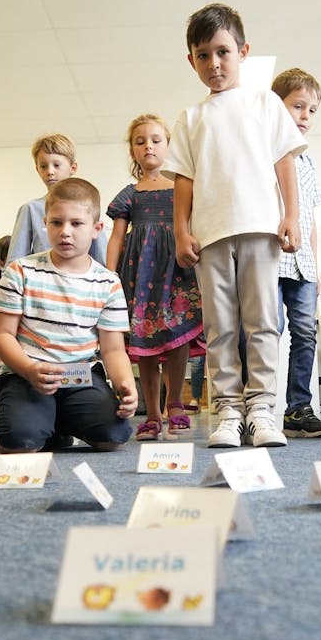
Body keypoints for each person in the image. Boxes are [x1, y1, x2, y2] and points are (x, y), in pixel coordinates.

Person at [166, 3, 304, 449]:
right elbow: (183, 181)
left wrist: (291, 216)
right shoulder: (190, 118)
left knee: (263, 321)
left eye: (223, 52)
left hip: (260, 226)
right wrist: (181, 230)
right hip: (209, 235)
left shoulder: (265, 104)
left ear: (243, 51)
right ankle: (228, 408)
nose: (214, 63)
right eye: (203, 55)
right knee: (220, 326)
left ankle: (262, 407)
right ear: (192, 61)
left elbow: (285, 163)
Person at [0, 178, 136, 454]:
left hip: (80, 375)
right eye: (56, 223)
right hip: (26, 373)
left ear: (96, 229)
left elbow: (113, 349)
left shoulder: (108, 282)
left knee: (113, 437)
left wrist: (125, 384)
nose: (65, 232)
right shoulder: (20, 271)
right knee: (20, 443)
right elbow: (1, 335)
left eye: (76, 224)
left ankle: (56, 422)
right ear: (45, 223)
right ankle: (31, 421)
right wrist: (30, 370)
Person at [105, 113, 204, 442]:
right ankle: (153, 411)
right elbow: (117, 238)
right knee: (144, 342)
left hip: (177, 273)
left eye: (156, 140)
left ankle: (175, 401)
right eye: (140, 141)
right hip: (139, 277)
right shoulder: (129, 194)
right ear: (132, 150)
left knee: (177, 336)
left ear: (168, 146)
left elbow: (193, 226)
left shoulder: (181, 187)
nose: (148, 146)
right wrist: (109, 277)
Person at [270, 68, 321, 439]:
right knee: (268, 329)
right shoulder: (266, 155)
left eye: (311, 110)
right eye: (298, 107)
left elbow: (308, 217)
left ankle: (298, 408)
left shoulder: (307, 161)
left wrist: (315, 268)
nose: (305, 117)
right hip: (272, 258)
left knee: (305, 333)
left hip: (304, 265)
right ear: (278, 108)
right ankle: (261, 405)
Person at [9, 133, 107, 266]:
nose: (50, 171)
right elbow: (15, 259)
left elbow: (101, 258)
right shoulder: (30, 209)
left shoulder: (87, 206)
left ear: (73, 168)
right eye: (43, 166)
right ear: (37, 169)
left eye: (56, 165)